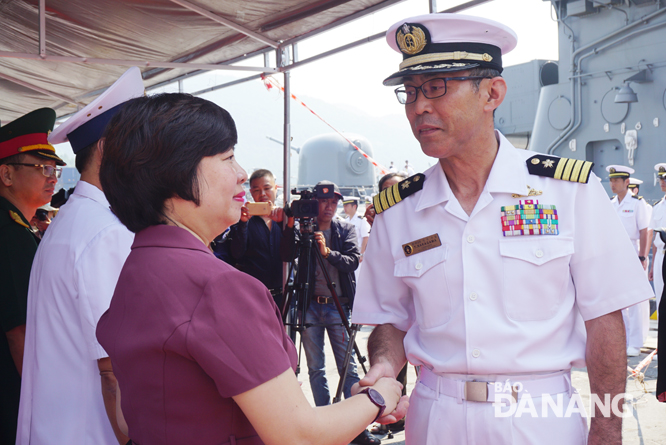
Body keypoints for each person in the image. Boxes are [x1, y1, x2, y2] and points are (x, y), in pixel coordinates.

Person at [352, 13, 653, 445]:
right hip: (434, 417)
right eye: (411, 92)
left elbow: (605, 318)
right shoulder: (399, 210)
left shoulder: (568, 192)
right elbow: (388, 319)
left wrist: (607, 429)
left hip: (539, 415)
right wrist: (383, 367)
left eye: (437, 87)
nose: (419, 106)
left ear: (492, 92)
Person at [95, 93, 403, 445]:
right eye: (228, 158)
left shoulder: (138, 268)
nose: (242, 173)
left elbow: (126, 419)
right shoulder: (218, 286)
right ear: (178, 175)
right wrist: (379, 396)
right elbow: (300, 436)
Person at [16, 67, 143, 445]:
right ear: (109, 148)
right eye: (141, 142)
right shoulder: (104, 233)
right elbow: (113, 372)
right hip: (93, 432)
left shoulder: (77, 220)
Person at [282, 181, 379, 445]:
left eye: (334, 202)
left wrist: (328, 252)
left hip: (337, 303)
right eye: (323, 202)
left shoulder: (344, 228)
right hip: (310, 304)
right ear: (313, 204)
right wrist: (291, 225)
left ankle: (357, 428)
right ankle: (325, 425)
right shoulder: (304, 231)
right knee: (315, 368)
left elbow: (352, 261)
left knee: (347, 367)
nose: (329, 206)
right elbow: (287, 254)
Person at [0, 108, 65, 445]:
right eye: (41, 168)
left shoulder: (17, 225)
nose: (52, 177)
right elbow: (20, 332)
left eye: (53, 168)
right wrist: (42, 405)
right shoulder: (9, 232)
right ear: (6, 175)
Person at [220, 169, 286, 307]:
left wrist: (283, 222)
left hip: (283, 296)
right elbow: (237, 253)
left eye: (267, 188)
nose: (262, 194)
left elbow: (293, 252)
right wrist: (243, 223)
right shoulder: (242, 220)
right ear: (251, 192)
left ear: (276, 188)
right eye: (256, 190)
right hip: (253, 296)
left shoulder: (285, 220)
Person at [608, 165, 652, 357]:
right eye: (611, 180)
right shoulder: (611, 203)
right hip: (615, 255)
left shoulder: (637, 204)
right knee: (619, 300)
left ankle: (635, 342)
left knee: (634, 301)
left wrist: (642, 255)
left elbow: (644, 230)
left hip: (633, 252)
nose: (612, 184)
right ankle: (623, 340)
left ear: (627, 182)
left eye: (616, 180)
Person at [650, 163, 666, 317]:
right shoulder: (657, 207)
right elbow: (656, 237)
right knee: (661, 297)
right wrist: (654, 264)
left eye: (665, 178)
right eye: (661, 178)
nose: (662, 181)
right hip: (661, 257)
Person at [342, 196, 370, 272]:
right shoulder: (345, 221)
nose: (344, 208)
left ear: (354, 206)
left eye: (347, 206)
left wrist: (361, 254)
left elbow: (365, 237)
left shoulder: (361, 220)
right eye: (344, 206)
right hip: (348, 255)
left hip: (358, 256)